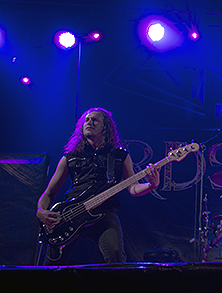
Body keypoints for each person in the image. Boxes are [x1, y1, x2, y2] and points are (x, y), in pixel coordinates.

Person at [36, 107, 160, 264]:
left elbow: (133, 188)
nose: (89, 122)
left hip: (104, 213)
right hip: (70, 215)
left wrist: (151, 185)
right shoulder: (70, 157)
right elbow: (49, 193)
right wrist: (40, 211)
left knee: (115, 257)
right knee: (51, 266)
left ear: (105, 127)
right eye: (86, 120)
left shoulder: (120, 156)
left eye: (94, 120)